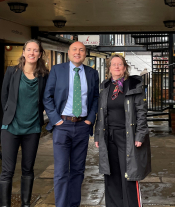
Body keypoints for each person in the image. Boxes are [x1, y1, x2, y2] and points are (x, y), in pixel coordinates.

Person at [43, 41, 99, 207]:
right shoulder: (57, 70)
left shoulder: (92, 73)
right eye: (75, 49)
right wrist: (56, 120)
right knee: (60, 171)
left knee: (78, 171)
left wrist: (90, 119)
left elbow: (96, 97)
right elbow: (47, 97)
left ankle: (74, 204)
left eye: (81, 50)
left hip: (82, 126)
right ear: (68, 52)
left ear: (85, 53)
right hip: (62, 126)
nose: (78, 52)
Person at [94, 54, 151, 207]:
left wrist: (140, 135)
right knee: (111, 174)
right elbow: (101, 113)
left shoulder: (133, 86)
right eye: (114, 64)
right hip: (108, 136)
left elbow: (141, 112)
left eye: (120, 64)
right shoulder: (105, 87)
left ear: (125, 67)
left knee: (129, 175)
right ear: (109, 68)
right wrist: (98, 135)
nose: (117, 67)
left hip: (128, 136)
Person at [0, 39, 49, 207]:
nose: (32, 53)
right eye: (29, 49)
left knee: (28, 169)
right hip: (11, 127)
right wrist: (8, 116)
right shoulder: (12, 72)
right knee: (7, 170)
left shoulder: (44, 75)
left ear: (39, 54)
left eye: (35, 50)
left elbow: (46, 99)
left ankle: (25, 204)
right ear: (23, 52)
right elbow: (4, 97)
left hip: (32, 128)